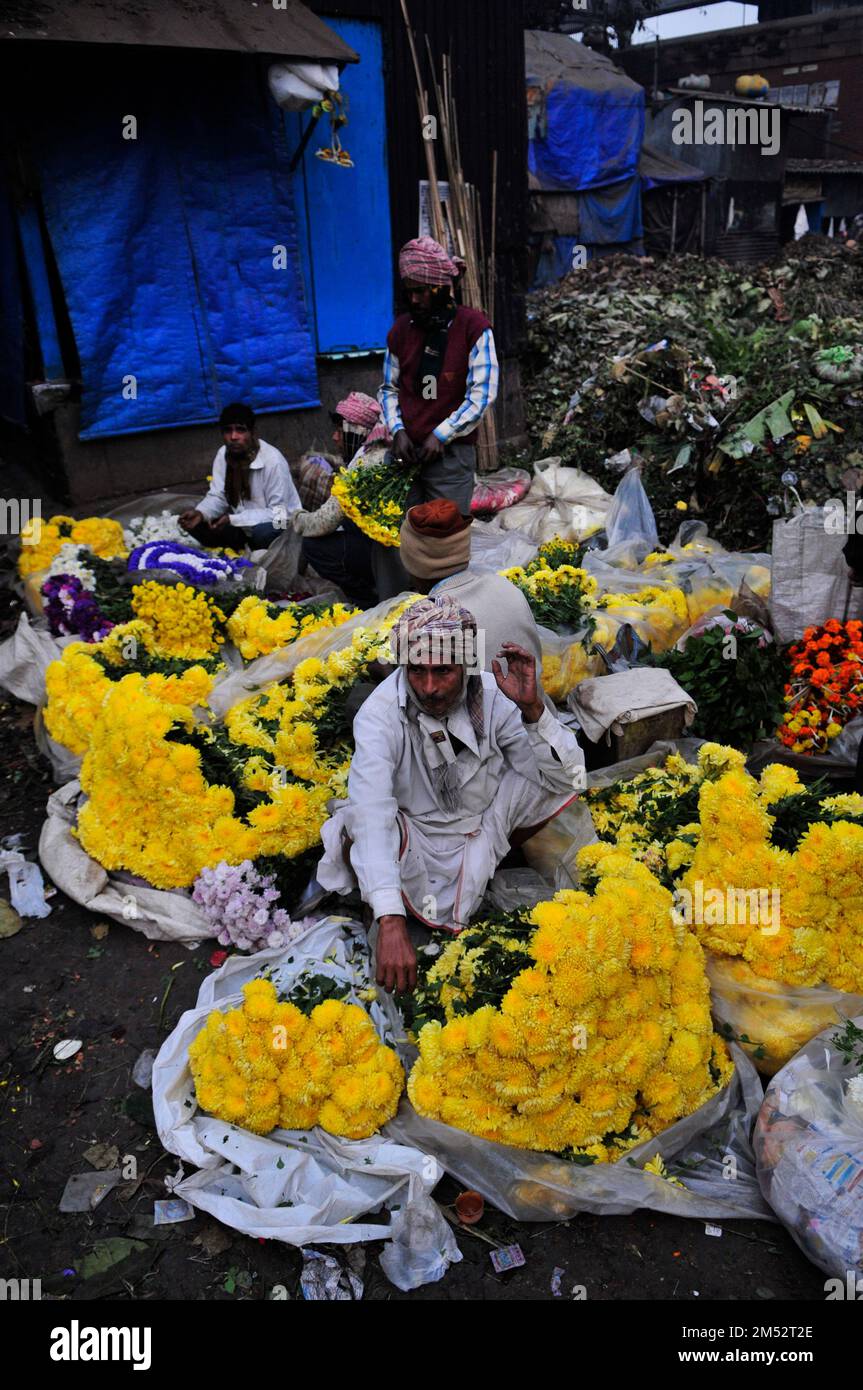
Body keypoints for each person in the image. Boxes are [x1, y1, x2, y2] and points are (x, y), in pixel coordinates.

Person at [315, 595, 585, 993]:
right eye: (417, 671)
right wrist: (390, 919)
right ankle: (395, 902)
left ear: (466, 665)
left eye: (443, 671)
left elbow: (567, 777)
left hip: (479, 822)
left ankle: (483, 862)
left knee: (550, 775)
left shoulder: (495, 695)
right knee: (365, 821)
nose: (429, 687)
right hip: (414, 831)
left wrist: (534, 711)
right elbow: (372, 811)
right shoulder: (380, 715)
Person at [374, 236, 499, 597]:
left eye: (423, 292)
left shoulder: (474, 328)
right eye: (409, 291)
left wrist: (441, 435)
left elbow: (481, 395)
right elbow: (388, 389)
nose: (415, 300)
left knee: (443, 545)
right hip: (404, 455)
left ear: (443, 287)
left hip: (450, 459)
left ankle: (446, 620)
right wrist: (397, 430)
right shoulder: (401, 330)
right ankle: (392, 617)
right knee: (392, 537)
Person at [397, 498, 553, 705]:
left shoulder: (433, 620)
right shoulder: (504, 585)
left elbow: (427, 692)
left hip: (490, 732)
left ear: (412, 563)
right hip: (539, 716)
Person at [292, 394, 392, 610]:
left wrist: (297, 519)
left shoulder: (367, 462)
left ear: (355, 432)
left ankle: (367, 599)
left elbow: (324, 522)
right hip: (384, 545)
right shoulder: (376, 450)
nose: (335, 437)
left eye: (340, 430)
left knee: (314, 545)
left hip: (384, 551)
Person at [179, 403, 300, 551]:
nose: (233, 437)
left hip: (279, 527)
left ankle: (249, 547)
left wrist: (234, 519)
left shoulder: (273, 461)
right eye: (228, 431)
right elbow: (219, 496)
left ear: (253, 433)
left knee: (263, 533)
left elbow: (280, 515)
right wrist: (201, 513)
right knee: (197, 524)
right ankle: (242, 547)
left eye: (240, 430)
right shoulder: (223, 455)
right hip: (243, 527)